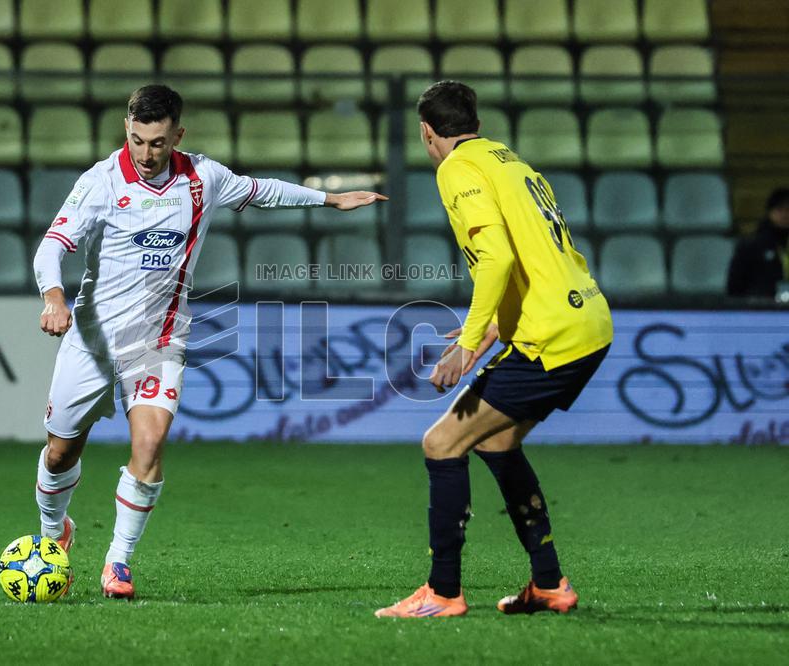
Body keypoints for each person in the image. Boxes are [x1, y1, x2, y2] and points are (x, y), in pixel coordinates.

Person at [31, 84, 386, 599]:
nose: (146, 154)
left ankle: (118, 563)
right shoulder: (101, 182)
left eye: (157, 143)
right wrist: (53, 297)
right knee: (61, 452)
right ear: (125, 132)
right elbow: (52, 247)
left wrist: (329, 198)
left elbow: (260, 190)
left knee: (149, 445)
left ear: (178, 134)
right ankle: (51, 536)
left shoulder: (203, 177)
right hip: (92, 338)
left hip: (160, 339)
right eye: (136, 141)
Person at [375, 81, 613, 618]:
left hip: (551, 334)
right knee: (497, 442)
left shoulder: (456, 168)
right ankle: (549, 583)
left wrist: (463, 343)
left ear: (427, 132)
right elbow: (525, 265)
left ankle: (442, 592)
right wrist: (482, 340)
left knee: (442, 444)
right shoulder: (511, 162)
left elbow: (498, 260)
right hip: (588, 321)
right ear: (475, 124)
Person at [727, 188, 789, 299]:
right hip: (760, 308)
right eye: (780, 209)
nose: (785, 215)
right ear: (770, 212)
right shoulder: (751, 246)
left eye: (788, 210)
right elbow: (735, 286)